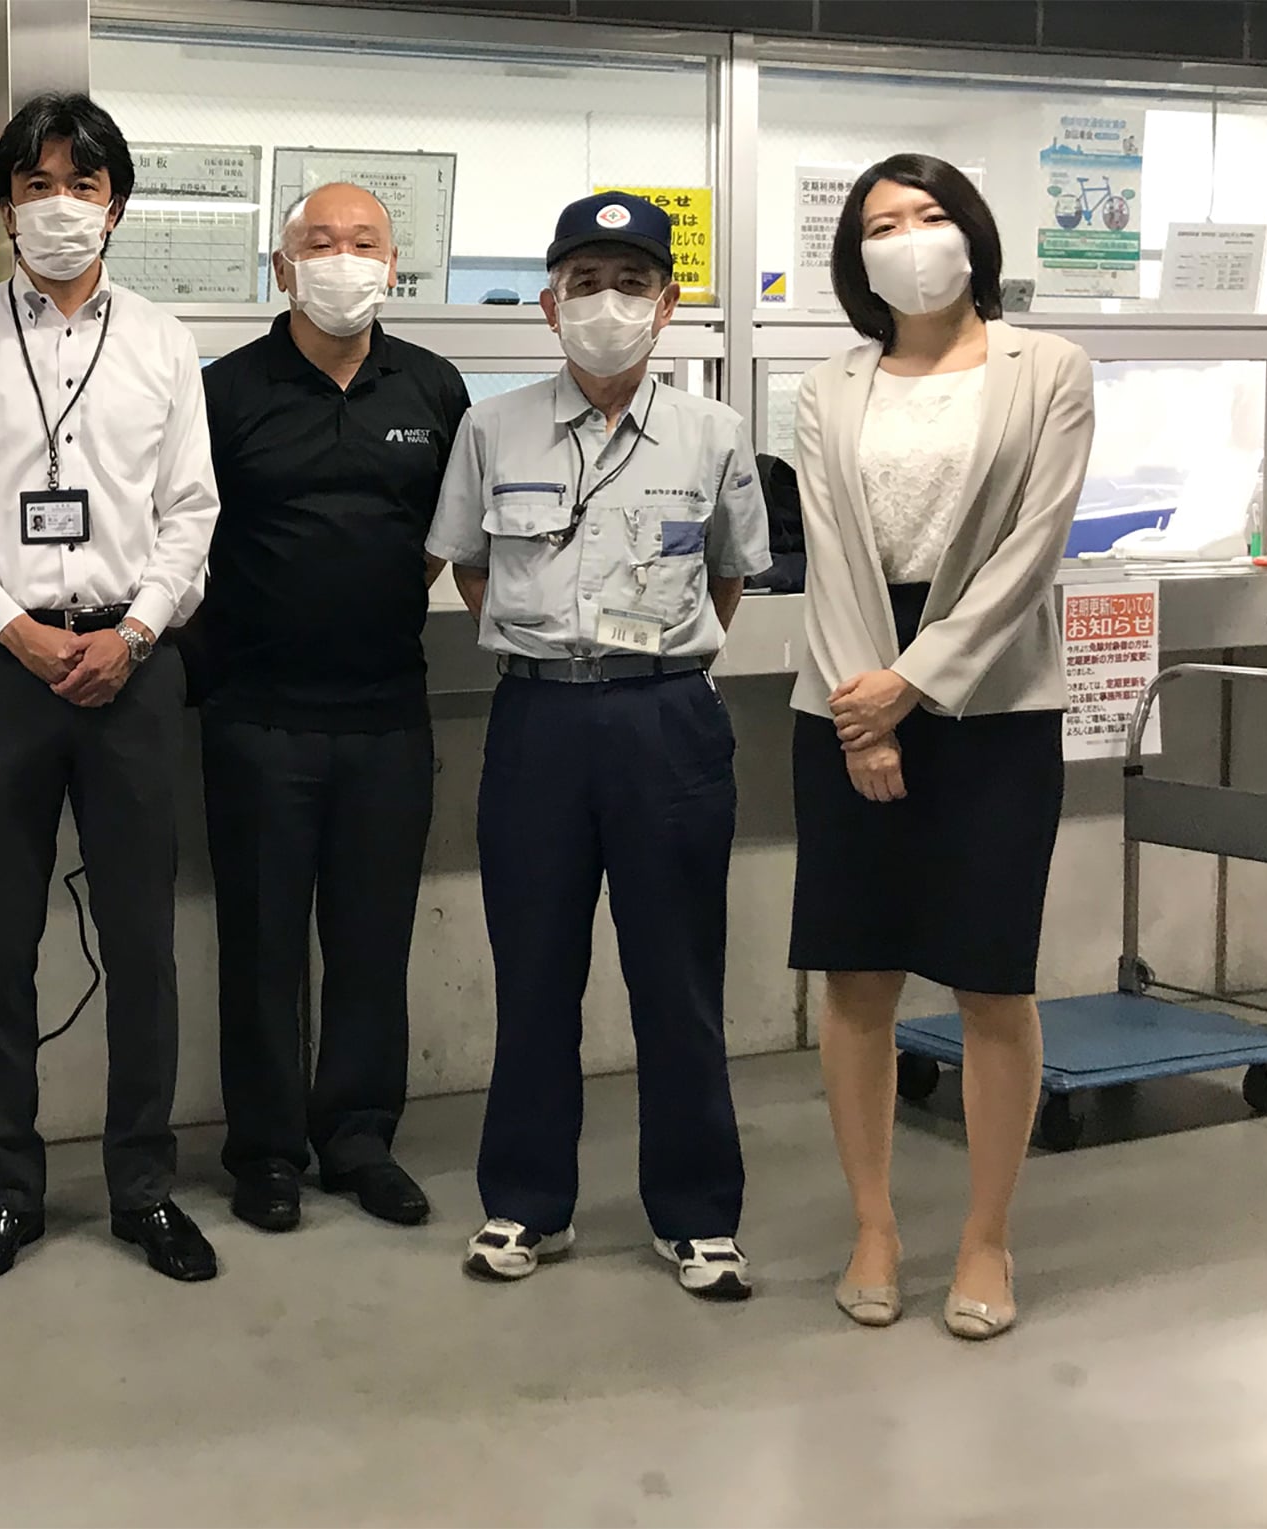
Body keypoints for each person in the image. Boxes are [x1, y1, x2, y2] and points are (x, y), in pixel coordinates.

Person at [425, 191, 772, 1300]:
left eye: (629, 283)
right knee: (533, 972)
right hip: (535, 716)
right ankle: (525, 1201)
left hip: (664, 718)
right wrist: (554, 643)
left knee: (676, 975)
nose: (606, 304)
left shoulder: (712, 435)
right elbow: (469, 568)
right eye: (584, 282)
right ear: (547, 304)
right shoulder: (493, 428)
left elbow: (728, 574)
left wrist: (651, 659)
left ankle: (696, 1215)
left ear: (667, 305)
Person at [0, 92, 222, 1285]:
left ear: (116, 206)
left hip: (133, 667)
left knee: (141, 939)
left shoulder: (160, 341)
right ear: (3, 211)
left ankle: (142, 1186)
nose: (57, 206)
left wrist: (134, 630)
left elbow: (190, 512)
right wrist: (18, 631)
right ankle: (8, 1187)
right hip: (1, 670)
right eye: (34, 186)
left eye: (80, 185)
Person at [788, 154, 1093, 1341]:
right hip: (848, 683)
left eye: (926, 217)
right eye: (880, 224)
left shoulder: (1046, 368)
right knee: (856, 971)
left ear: (970, 235)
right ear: (854, 255)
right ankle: (872, 1222)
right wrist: (864, 708)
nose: (907, 238)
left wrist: (913, 685)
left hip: (992, 692)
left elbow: (1032, 546)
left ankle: (983, 1236)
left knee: (988, 975)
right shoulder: (828, 385)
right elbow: (827, 549)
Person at [196, 183, 469, 1233]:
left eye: (362, 243)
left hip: (389, 718)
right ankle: (262, 1150)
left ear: (392, 267)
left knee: (370, 942)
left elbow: (460, 533)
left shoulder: (434, 389)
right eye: (318, 242)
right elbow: (184, 541)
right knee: (260, 947)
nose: (340, 259)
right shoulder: (224, 392)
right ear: (280, 268)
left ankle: (356, 1136)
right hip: (256, 716)